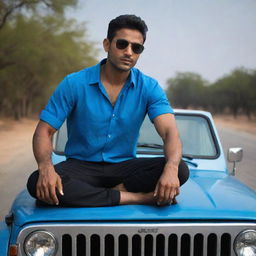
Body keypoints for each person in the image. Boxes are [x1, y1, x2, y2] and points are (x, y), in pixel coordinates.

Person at [27, 14, 189, 207]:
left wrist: (170, 169)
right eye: (122, 44)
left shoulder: (149, 87)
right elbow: (43, 131)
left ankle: (104, 195)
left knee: (180, 169)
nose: (129, 52)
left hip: (124, 169)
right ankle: (136, 198)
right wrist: (46, 168)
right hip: (81, 166)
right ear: (107, 44)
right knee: (36, 182)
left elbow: (170, 132)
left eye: (136, 48)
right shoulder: (74, 83)